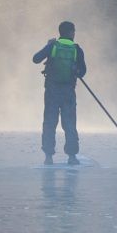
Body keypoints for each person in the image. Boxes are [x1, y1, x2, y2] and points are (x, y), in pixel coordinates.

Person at [33, 21, 86, 165]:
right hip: (68, 92)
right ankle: (72, 157)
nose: (74, 34)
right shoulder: (76, 49)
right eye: (74, 31)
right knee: (69, 124)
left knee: (50, 123)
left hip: (51, 92)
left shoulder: (52, 46)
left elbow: (35, 59)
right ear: (70, 33)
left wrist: (48, 45)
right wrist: (75, 70)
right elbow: (83, 73)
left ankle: (48, 157)